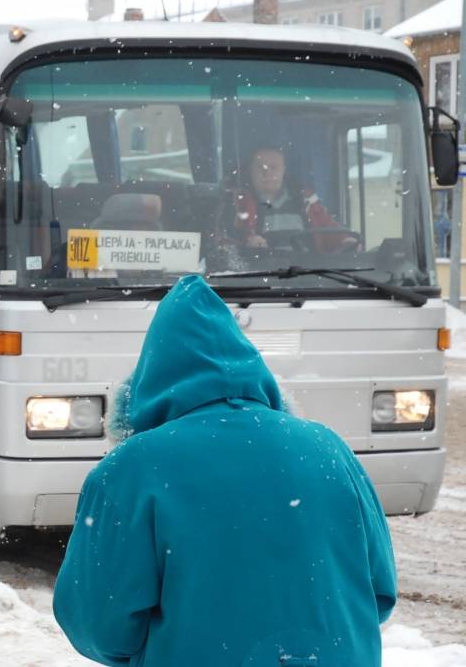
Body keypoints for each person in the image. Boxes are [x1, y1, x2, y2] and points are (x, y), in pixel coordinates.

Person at [53, 275, 396, 667]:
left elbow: (97, 626)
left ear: (150, 378)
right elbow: (379, 593)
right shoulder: (329, 449)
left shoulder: (132, 468)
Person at [236, 147, 357, 252]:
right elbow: (228, 243)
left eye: (274, 167)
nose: (267, 173)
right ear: (250, 170)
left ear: (283, 169)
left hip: (308, 273)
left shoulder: (306, 200)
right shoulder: (237, 203)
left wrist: (345, 241)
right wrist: (248, 246)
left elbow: (329, 230)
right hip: (261, 275)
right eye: (260, 167)